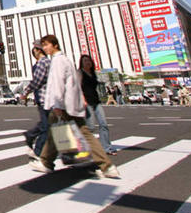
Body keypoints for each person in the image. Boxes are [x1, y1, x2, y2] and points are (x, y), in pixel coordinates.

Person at [29, 35, 120, 179]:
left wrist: (57, 104)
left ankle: (106, 165)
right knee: (64, 132)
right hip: (69, 103)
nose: (44, 48)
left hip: (63, 104)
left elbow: (58, 84)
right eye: (43, 46)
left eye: (46, 45)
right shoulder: (64, 60)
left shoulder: (58, 61)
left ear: (55, 45)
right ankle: (106, 166)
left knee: (75, 132)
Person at [80, 54, 117, 156]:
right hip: (87, 102)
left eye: (88, 61)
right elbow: (78, 87)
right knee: (90, 127)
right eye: (85, 61)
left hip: (96, 102)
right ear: (81, 63)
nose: (87, 62)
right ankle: (83, 147)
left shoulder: (93, 74)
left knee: (103, 124)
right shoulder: (80, 73)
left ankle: (107, 148)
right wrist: (83, 100)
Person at [20, 44, 51, 160]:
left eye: (34, 51)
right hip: (44, 98)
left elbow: (37, 81)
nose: (34, 54)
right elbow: (37, 81)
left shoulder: (44, 63)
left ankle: (31, 136)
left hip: (47, 98)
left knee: (47, 124)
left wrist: (26, 92)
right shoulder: (41, 63)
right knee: (47, 125)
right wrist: (26, 92)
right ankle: (38, 152)